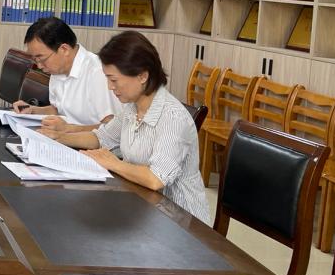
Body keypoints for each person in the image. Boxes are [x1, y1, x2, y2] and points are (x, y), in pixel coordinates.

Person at [41, 31, 209, 222]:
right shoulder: (132, 107)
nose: (109, 87)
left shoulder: (173, 118)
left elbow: (156, 179)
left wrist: (113, 163)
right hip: (141, 206)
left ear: (142, 76)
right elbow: (101, 137)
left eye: (114, 80)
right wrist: (58, 137)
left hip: (178, 220)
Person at [12, 17, 121, 130]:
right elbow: (59, 110)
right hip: (64, 137)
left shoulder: (98, 72)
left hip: (89, 141)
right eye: (35, 60)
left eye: (41, 59)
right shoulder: (57, 69)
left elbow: (114, 128)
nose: (39, 66)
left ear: (64, 49)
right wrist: (32, 110)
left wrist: (68, 129)